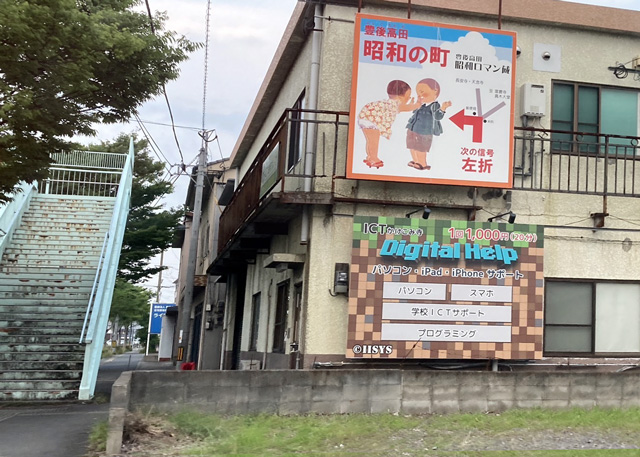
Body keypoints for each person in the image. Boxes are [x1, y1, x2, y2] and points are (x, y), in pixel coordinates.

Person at [357, 80, 418, 168]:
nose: (408, 99)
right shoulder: (395, 104)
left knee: (370, 140)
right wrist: (418, 103)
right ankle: (373, 158)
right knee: (374, 140)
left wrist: (410, 105)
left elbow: (405, 107)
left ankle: (370, 157)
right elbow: (408, 108)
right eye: (408, 97)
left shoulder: (388, 103)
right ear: (400, 97)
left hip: (366, 116)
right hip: (372, 119)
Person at [406, 78, 451, 170]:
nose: (420, 96)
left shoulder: (434, 105)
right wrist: (415, 104)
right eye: (419, 93)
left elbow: (438, 117)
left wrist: (443, 108)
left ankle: (422, 163)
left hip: (424, 131)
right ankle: (415, 160)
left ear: (434, 92)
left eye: (423, 92)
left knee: (421, 147)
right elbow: (414, 111)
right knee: (412, 145)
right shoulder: (421, 104)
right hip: (413, 127)